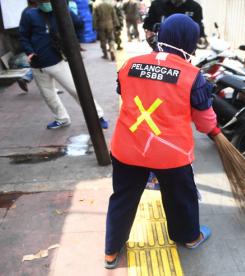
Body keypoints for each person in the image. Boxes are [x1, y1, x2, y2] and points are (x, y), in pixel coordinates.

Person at [104, 14, 219, 269]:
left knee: (123, 196)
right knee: (181, 196)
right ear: (190, 42)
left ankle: (111, 251)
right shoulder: (192, 75)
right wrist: (215, 131)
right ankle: (190, 237)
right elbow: (204, 121)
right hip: (171, 152)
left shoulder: (129, 64)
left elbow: (124, 93)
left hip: (127, 147)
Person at [19, 0, 109, 129]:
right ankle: (62, 118)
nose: (46, 3)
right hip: (37, 65)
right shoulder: (29, 14)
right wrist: (29, 51)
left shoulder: (60, 12)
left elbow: (79, 24)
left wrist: (65, 11)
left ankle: (98, 116)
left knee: (77, 90)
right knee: (49, 96)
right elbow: (23, 36)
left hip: (57, 61)